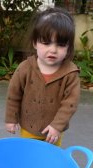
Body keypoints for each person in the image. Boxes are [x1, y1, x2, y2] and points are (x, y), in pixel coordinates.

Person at [5, 7, 80, 147]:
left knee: (50, 159)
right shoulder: (25, 68)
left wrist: (57, 126)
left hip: (53, 132)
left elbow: (70, 104)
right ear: (35, 43)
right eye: (46, 43)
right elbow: (13, 95)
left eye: (61, 44)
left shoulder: (70, 73)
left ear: (69, 47)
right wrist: (11, 118)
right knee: (28, 156)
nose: (53, 50)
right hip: (29, 127)